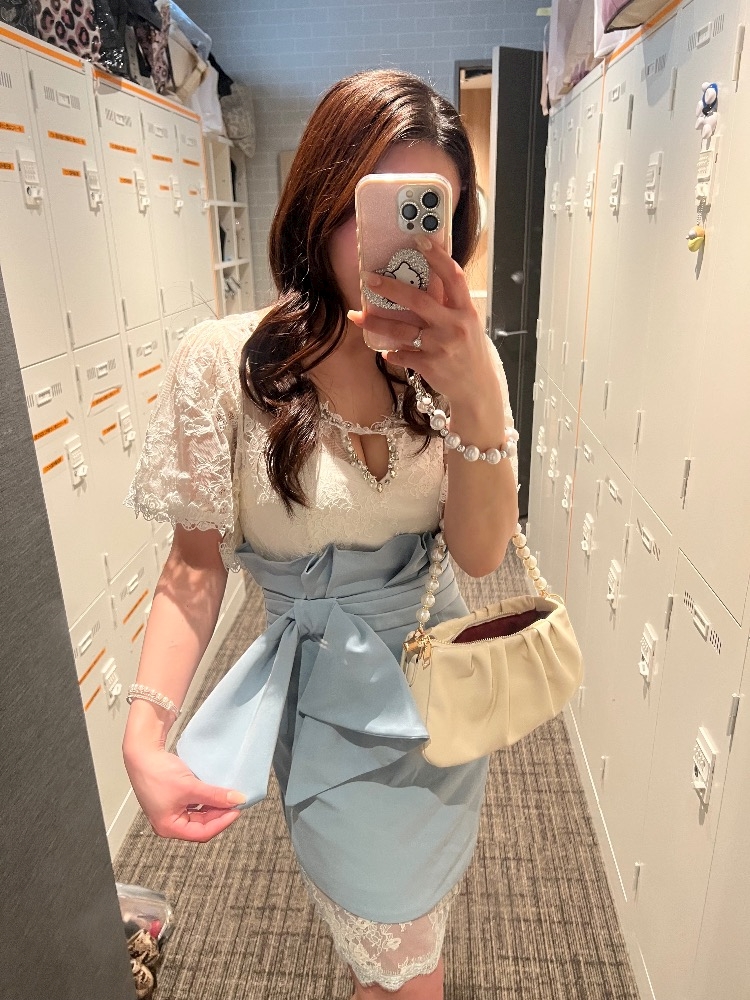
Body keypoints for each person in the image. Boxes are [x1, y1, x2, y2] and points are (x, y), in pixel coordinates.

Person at [122, 68, 519, 1000]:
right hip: (331, 717)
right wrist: (146, 731)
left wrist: (474, 394)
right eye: (374, 210)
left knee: (401, 949)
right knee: (400, 961)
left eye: (430, 216)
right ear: (322, 202)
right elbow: (193, 568)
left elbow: (480, 555)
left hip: (440, 698)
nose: (401, 246)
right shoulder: (226, 364)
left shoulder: (463, 360)